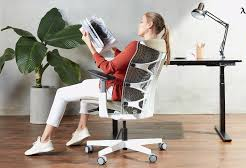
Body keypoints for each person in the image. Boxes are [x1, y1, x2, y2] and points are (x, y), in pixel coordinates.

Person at [24, 11, 171, 156]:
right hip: (134, 94)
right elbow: (132, 65)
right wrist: (115, 51)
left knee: (61, 94)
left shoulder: (136, 45)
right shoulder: (155, 45)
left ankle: (45, 141)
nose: (138, 24)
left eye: (141, 21)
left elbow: (108, 68)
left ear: (149, 25)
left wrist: (90, 46)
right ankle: (81, 129)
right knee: (87, 84)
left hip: (117, 91)